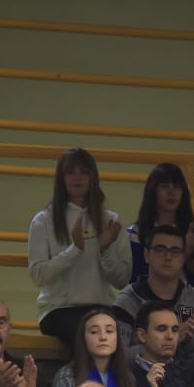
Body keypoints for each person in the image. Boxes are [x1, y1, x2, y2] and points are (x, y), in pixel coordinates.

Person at [28, 147, 130, 345]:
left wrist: (105, 250)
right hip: (59, 310)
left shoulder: (110, 221)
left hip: (101, 307)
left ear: (93, 177)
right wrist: (74, 250)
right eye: (70, 172)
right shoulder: (44, 220)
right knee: (90, 334)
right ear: (61, 178)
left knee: (124, 332)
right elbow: (38, 275)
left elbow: (122, 280)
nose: (78, 177)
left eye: (84, 172)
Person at [113, 224, 194, 359]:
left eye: (175, 251)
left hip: (192, 373)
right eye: (160, 249)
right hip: (141, 373)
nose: (168, 257)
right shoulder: (126, 303)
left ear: (183, 257)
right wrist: (170, 339)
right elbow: (117, 360)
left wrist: (191, 342)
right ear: (146, 255)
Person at [126, 161, 194, 287]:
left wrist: (190, 256)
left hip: (183, 299)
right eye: (164, 186)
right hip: (143, 299)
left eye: (177, 187)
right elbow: (134, 277)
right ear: (153, 191)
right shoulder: (135, 233)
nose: (172, 192)